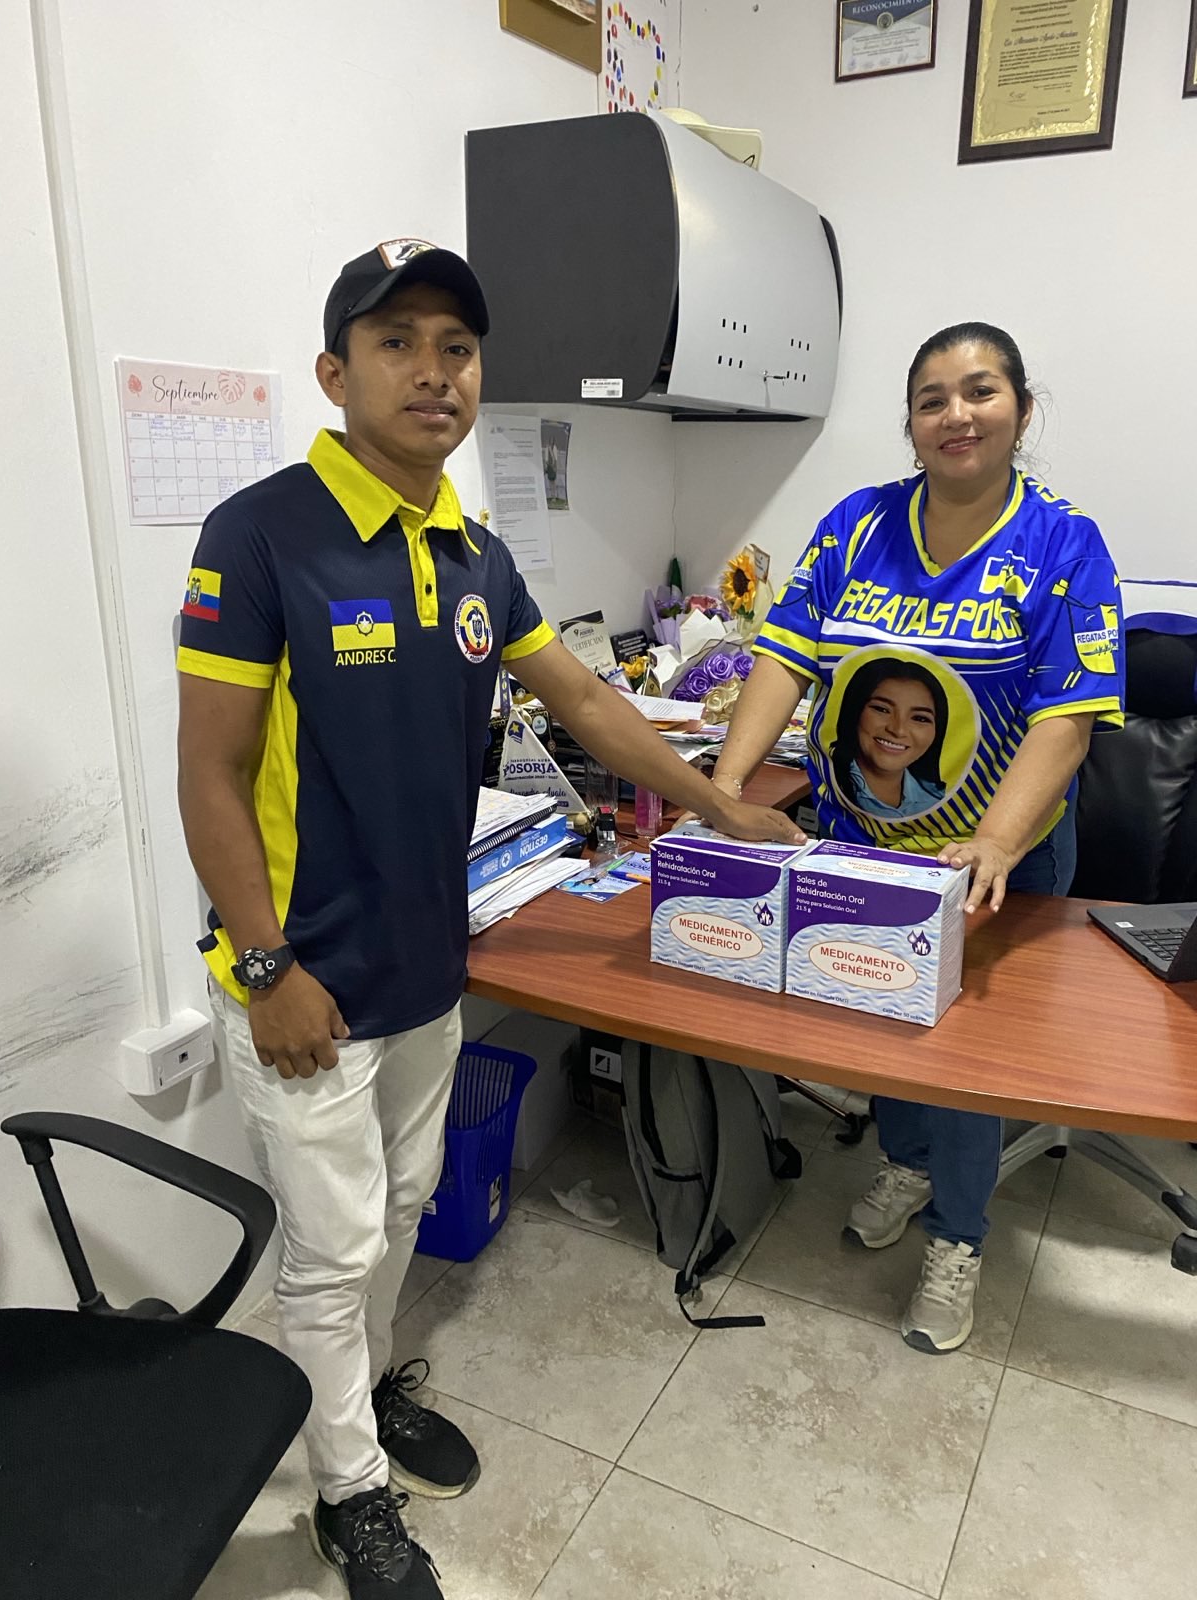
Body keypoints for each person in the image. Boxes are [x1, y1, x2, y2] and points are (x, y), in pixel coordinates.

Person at [176, 236, 802, 1599]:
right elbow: (209, 773)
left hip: (425, 963)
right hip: (303, 978)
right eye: (396, 342)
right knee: (331, 1251)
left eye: (456, 347)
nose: (433, 371)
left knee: (400, 1211)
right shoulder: (262, 535)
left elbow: (580, 699)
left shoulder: (474, 552)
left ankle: (364, 1397)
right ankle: (348, 1493)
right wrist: (268, 966)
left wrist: (717, 802)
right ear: (336, 373)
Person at [713, 321, 1125, 1355]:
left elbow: (1067, 719)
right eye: (932, 398)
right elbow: (784, 657)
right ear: (910, 422)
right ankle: (906, 1163)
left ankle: (960, 1236)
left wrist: (995, 841)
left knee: (970, 1062)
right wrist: (722, 788)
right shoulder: (856, 526)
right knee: (881, 1018)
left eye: (980, 391)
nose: (956, 414)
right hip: (866, 844)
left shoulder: (1064, 542)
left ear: (1022, 409)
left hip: (999, 857)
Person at [830, 656, 948, 818]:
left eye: (920, 718)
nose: (898, 730)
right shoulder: (827, 781)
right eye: (882, 709)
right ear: (854, 709)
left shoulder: (937, 799)